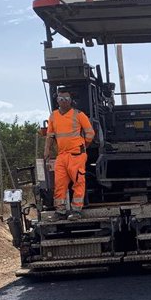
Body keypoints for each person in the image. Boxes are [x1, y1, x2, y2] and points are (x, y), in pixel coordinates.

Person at [44, 90, 95, 221]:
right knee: (59, 184)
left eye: (66, 97)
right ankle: (60, 211)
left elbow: (90, 133)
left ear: (71, 100)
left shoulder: (79, 115)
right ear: (57, 100)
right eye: (61, 98)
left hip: (76, 155)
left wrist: (83, 146)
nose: (64, 100)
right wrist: (47, 150)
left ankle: (76, 211)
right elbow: (50, 135)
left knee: (78, 182)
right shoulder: (53, 116)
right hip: (62, 156)